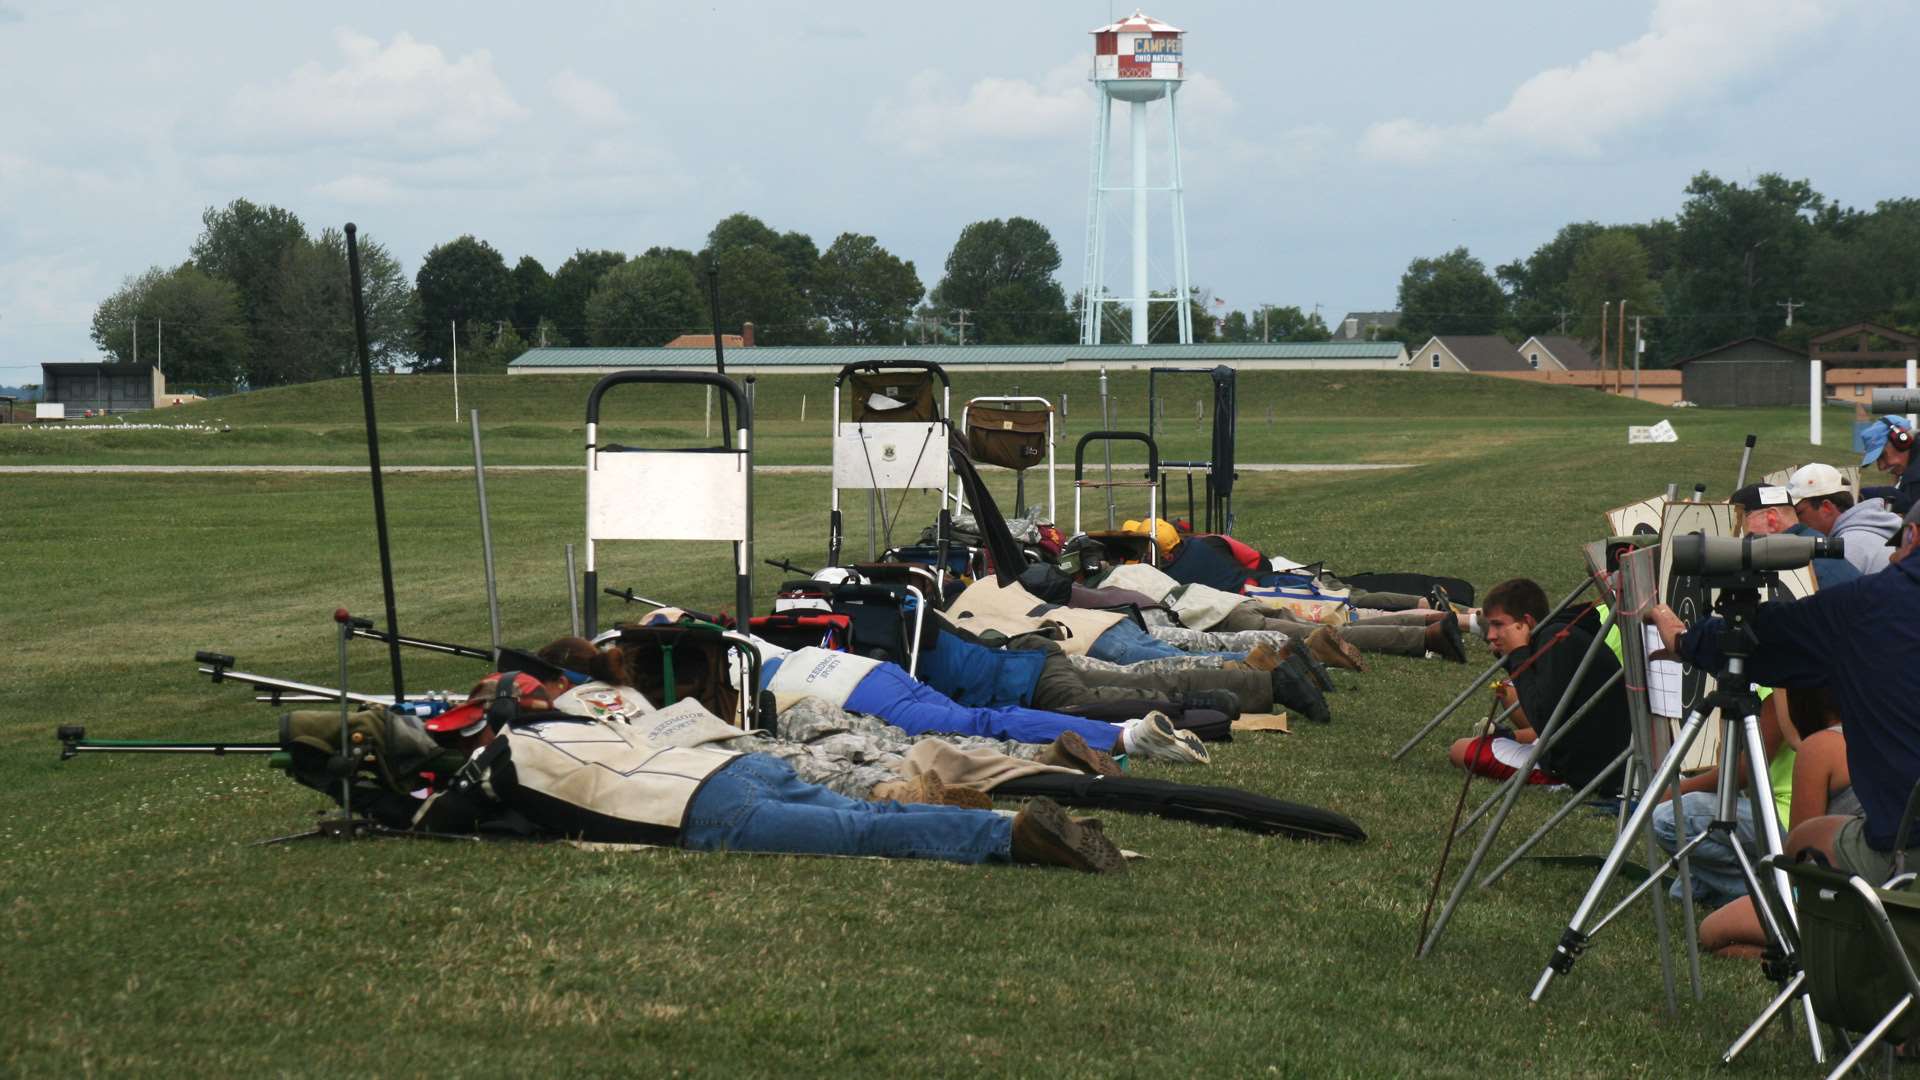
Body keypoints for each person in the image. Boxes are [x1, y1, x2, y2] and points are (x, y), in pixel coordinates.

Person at [422, 654, 1129, 873]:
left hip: (700, 809)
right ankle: (1017, 814)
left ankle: (1010, 835)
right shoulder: (591, 715)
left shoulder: (504, 759)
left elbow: (442, 816)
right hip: (731, 770)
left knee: (862, 830)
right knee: (865, 808)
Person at [1650, 499, 1920, 885]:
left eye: (1900, 548)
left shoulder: (1871, 604)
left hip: (1903, 853)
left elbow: (1763, 639)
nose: (1892, 561)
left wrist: (1684, 639)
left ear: (1913, 535)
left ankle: (1794, 922)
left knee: (1803, 844)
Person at [761, 646, 1213, 764]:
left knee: (981, 724)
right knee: (980, 721)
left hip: (845, 693)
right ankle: (1124, 730)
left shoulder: (715, 674)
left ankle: (1125, 738)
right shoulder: (733, 644)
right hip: (856, 670)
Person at [1696, 689, 1857, 958]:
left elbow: (1795, 863)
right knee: (1686, 888)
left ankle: (1820, 961)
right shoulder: (1888, 737)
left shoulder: (1820, 748)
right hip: (1895, 896)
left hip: (1839, 903)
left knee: (1712, 932)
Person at [1447, 578, 1632, 794]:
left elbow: (1542, 719)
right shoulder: (1557, 632)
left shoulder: (1555, 642)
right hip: (1582, 750)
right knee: (1505, 695)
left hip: (1582, 770)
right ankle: (1509, 737)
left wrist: (1517, 656)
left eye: (1498, 625)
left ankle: (1554, 781)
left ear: (1526, 622)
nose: (1490, 635)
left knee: (1461, 750)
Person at [1730, 483, 1859, 588]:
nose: (1736, 534)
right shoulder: (1813, 543)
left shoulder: (1792, 563)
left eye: (1741, 523)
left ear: (1772, 519)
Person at [1786, 463, 1900, 577]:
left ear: (1826, 508)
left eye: (1798, 513)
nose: (1795, 521)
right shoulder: (1867, 531)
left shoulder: (1847, 547)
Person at [1859, 414, 1919, 515]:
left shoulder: (1915, 476)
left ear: (1901, 441)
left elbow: (1912, 507)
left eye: (1882, 456)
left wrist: (1866, 494)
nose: (1881, 467)